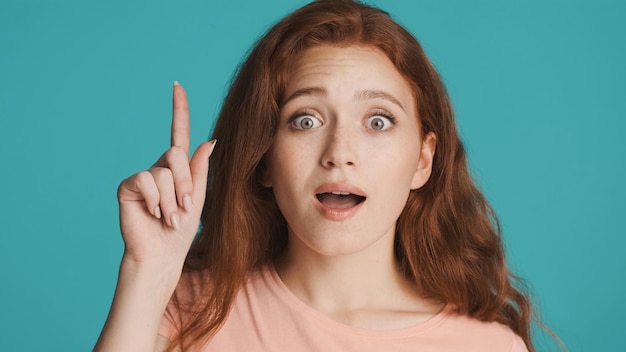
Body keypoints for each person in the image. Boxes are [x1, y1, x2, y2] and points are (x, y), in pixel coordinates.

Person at [95, 1, 543, 351]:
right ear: (265, 158)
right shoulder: (188, 311)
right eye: (305, 120)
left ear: (422, 161)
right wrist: (146, 271)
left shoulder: (486, 346)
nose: (339, 154)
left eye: (378, 121)